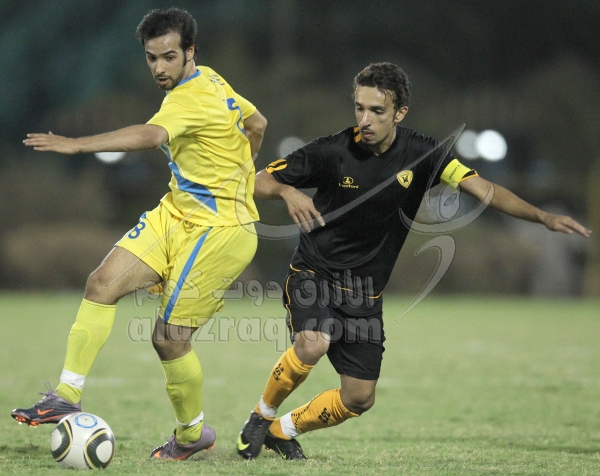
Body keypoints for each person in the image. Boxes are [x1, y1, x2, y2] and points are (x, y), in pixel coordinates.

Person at [236, 62, 591, 460]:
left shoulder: (425, 153)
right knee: (313, 343)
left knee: (359, 398)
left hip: (364, 291)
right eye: (359, 108)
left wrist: (542, 217)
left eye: (377, 111)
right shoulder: (331, 151)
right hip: (314, 272)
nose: (365, 120)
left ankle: (282, 430)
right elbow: (259, 180)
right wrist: (287, 192)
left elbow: (484, 190)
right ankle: (260, 416)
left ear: (400, 112)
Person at [13, 8, 267, 461]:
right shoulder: (212, 79)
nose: (160, 67)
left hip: (220, 231)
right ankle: (66, 396)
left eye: (169, 56)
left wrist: (76, 144)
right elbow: (257, 124)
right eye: (152, 58)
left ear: (190, 51)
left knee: (168, 338)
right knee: (101, 283)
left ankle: (192, 435)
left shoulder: (190, 97)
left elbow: (151, 137)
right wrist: (241, 169)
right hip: (177, 212)